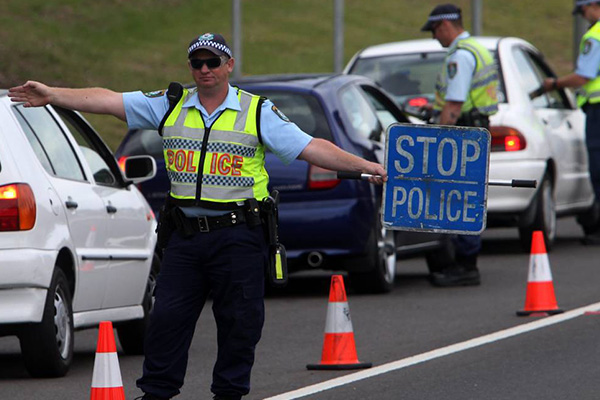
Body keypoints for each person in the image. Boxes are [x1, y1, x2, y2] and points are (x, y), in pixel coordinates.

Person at [9, 33, 386, 400]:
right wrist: (52, 95)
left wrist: (365, 165)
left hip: (239, 236)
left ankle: (229, 393)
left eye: (213, 62)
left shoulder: (255, 112)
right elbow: (107, 100)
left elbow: (310, 147)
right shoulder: (170, 104)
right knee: (167, 319)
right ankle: (156, 393)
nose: (204, 69)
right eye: (197, 62)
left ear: (229, 65)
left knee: (240, 322)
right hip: (186, 237)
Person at [420, 4, 500, 287]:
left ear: (445, 25)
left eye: (434, 30)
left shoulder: (461, 56)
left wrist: (440, 137)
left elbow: (454, 103)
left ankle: (465, 264)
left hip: (463, 132)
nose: (434, 37)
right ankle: (464, 261)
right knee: (466, 193)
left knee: (458, 195)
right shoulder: (477, 48)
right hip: (475, 129)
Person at [539, 0, 600, 245]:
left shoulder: (594, 36)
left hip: (598, 110)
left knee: (599, 167)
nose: (584, 16)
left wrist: (554, 84)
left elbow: (583, 76)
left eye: (583, 10)